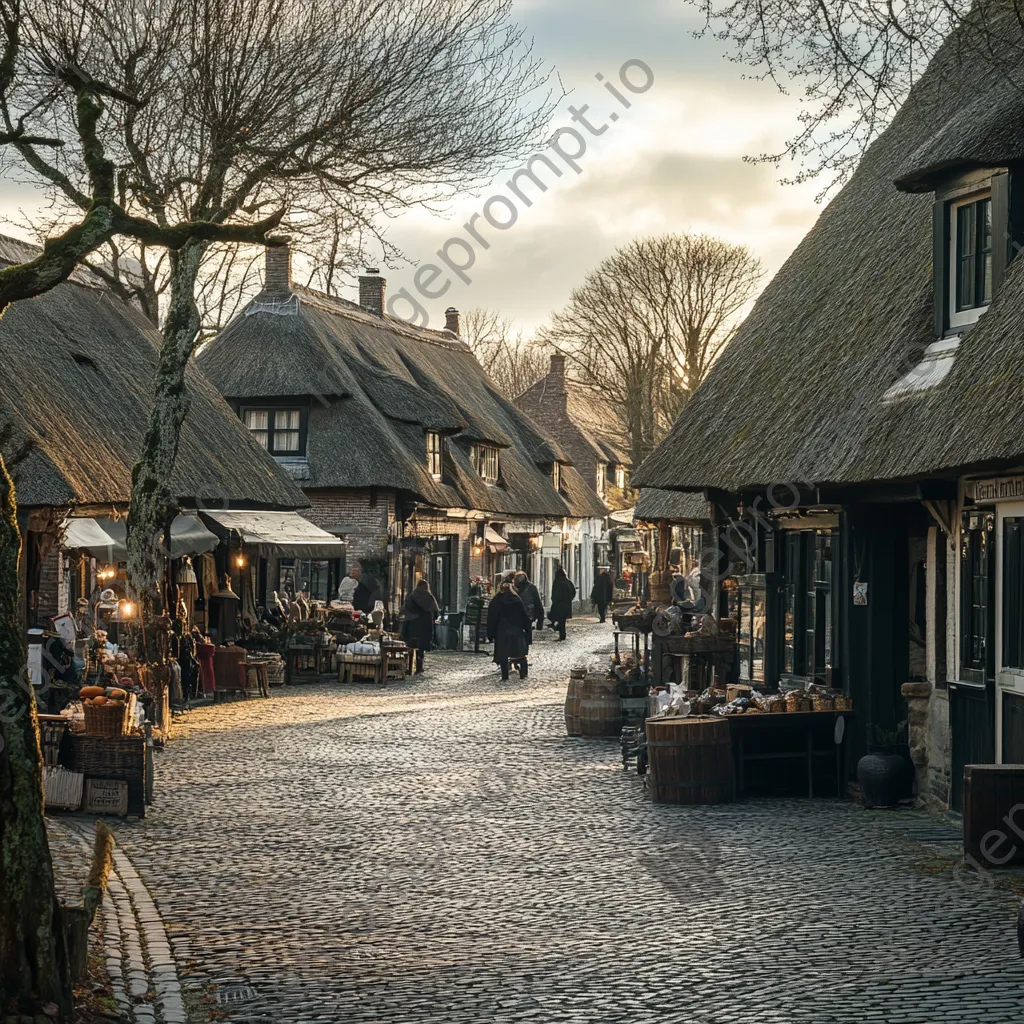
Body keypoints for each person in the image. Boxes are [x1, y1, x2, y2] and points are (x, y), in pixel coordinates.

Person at [487, 575, 532, 681]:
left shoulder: (496, 601)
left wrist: (490, 634)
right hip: (516, 629)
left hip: (502, 631)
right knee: (520, 653)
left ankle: (505, 675)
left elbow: (491, 618)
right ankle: (523, 672)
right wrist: (528, 631)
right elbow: (524, 616)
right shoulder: (516, 600)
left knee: (503, 655)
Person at [400, 579, 440, 674]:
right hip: (425, 625)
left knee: (410, 645)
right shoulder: (429, 597)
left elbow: (405, 609)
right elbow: (435, 611)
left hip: (412, 624)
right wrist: (432, 618)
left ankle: (409, 666)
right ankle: (419, 666)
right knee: (421, 647)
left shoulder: (412, 596)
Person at [549, 566, 576, 641]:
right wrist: (569, 599)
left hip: (558, 604)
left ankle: (561, 632)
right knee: (562, 620)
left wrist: (554, 600)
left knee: (559, 619)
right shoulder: (568, 582)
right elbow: (573, 592)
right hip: (566, 604)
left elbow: (554, 593)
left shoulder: (556, 582)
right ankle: (562, 633)